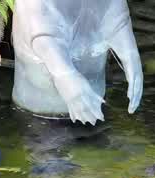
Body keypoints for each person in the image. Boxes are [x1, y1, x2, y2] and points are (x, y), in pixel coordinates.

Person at [11, 0, 144, 124]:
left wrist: (130, 56)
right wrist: (66, 76)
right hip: (41, 111)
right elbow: (40, 32)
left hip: (96, 104)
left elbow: (115, 16)